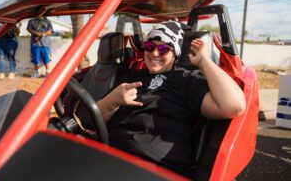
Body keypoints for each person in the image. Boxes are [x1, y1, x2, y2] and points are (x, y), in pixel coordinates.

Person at [96, 21, 246, 176]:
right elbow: (93, 121)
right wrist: (110, 102)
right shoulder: (131, 77)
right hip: (108, 159)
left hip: (155, 169)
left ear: (175, 53)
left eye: (163, 49)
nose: (154, 53)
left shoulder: (186, 80)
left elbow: (234, 106)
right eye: (149, 47)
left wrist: (203, 61)